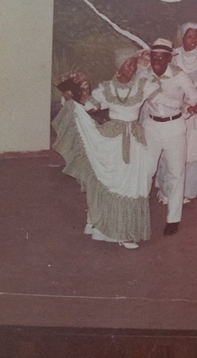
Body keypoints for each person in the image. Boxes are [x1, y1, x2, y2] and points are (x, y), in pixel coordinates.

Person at [52, 48, 160, 249]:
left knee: (132, 183)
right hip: (113, 138)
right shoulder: (106, 88)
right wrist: (72, 101)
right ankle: (106, 227)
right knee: (112, 181)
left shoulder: (143, 85)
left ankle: (124, 230)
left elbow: (162, 98)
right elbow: (88, 107)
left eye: (134, 64)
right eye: (129, 64)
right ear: (119, 67)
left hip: (135, 140)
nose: (133, 67)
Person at [144, 38, 197, 236]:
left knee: (176, 172)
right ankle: (139, 211)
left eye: (162, 57)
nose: (157, 61)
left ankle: (173, 219)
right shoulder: (144, 76)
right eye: (154, 57)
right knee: (146, 170)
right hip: (151, 127)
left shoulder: (180, 75)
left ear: (170, 58)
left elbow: (193, 94)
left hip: (174, 128)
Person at [171, 22, 197, 200]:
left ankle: (189, 189)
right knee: (177, 146)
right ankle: (172, 188)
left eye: (196, 36)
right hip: (176, 104)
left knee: (193, 147)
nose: (193, 40)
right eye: (189, 36)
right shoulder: (174, 56)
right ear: (182, 37)